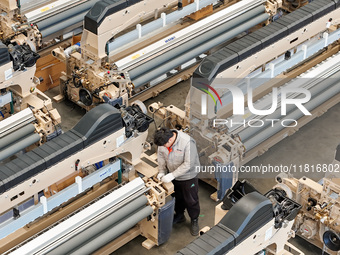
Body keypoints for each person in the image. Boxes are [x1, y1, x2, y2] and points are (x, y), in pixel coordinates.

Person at [154, 127, 200, 236]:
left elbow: (189, 164)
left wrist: (172, 175)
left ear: (170, 140)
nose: (163, 147)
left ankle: (194, 219)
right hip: (173, 175)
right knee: (177, 197)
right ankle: (180, 215)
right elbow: (160, 156)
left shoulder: (187, 142)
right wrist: (161, 171)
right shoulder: (163, 141)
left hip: (188, 177)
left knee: (191, 200)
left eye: (165, 145)